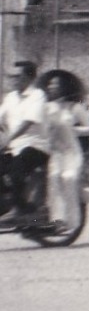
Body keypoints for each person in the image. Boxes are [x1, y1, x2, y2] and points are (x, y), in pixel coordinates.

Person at [38, 69, 89, 231]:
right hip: (55, 152)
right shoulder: (46, 107)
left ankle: (73, 222)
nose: (52, 87)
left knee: (68, 179)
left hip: (72, 152)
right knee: (53, 180)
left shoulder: (75, 108)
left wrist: (73, 130)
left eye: (57, 85)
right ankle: (57, 221)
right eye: (50, 85)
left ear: (65, 87)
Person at [0, 59, 49, 227]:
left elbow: (28, 122)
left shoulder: (38, 96)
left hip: (37, 145)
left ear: (29, 78)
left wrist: (8, 138)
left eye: (17, 76)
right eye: (11, 77)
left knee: (16, 171)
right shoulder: (10, 97)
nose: (13, 80)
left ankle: (19, 209)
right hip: (14, 146)